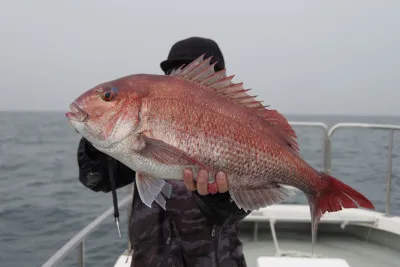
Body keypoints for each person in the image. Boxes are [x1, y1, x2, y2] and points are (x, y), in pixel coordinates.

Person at [77, 37, 250, 267]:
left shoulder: (239, 128)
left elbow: (237, 209)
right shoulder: (137, 129)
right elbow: (96, 180)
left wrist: (218, 196)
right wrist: (97, 136)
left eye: (201, 73)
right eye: (176, 72)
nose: (188, 80)